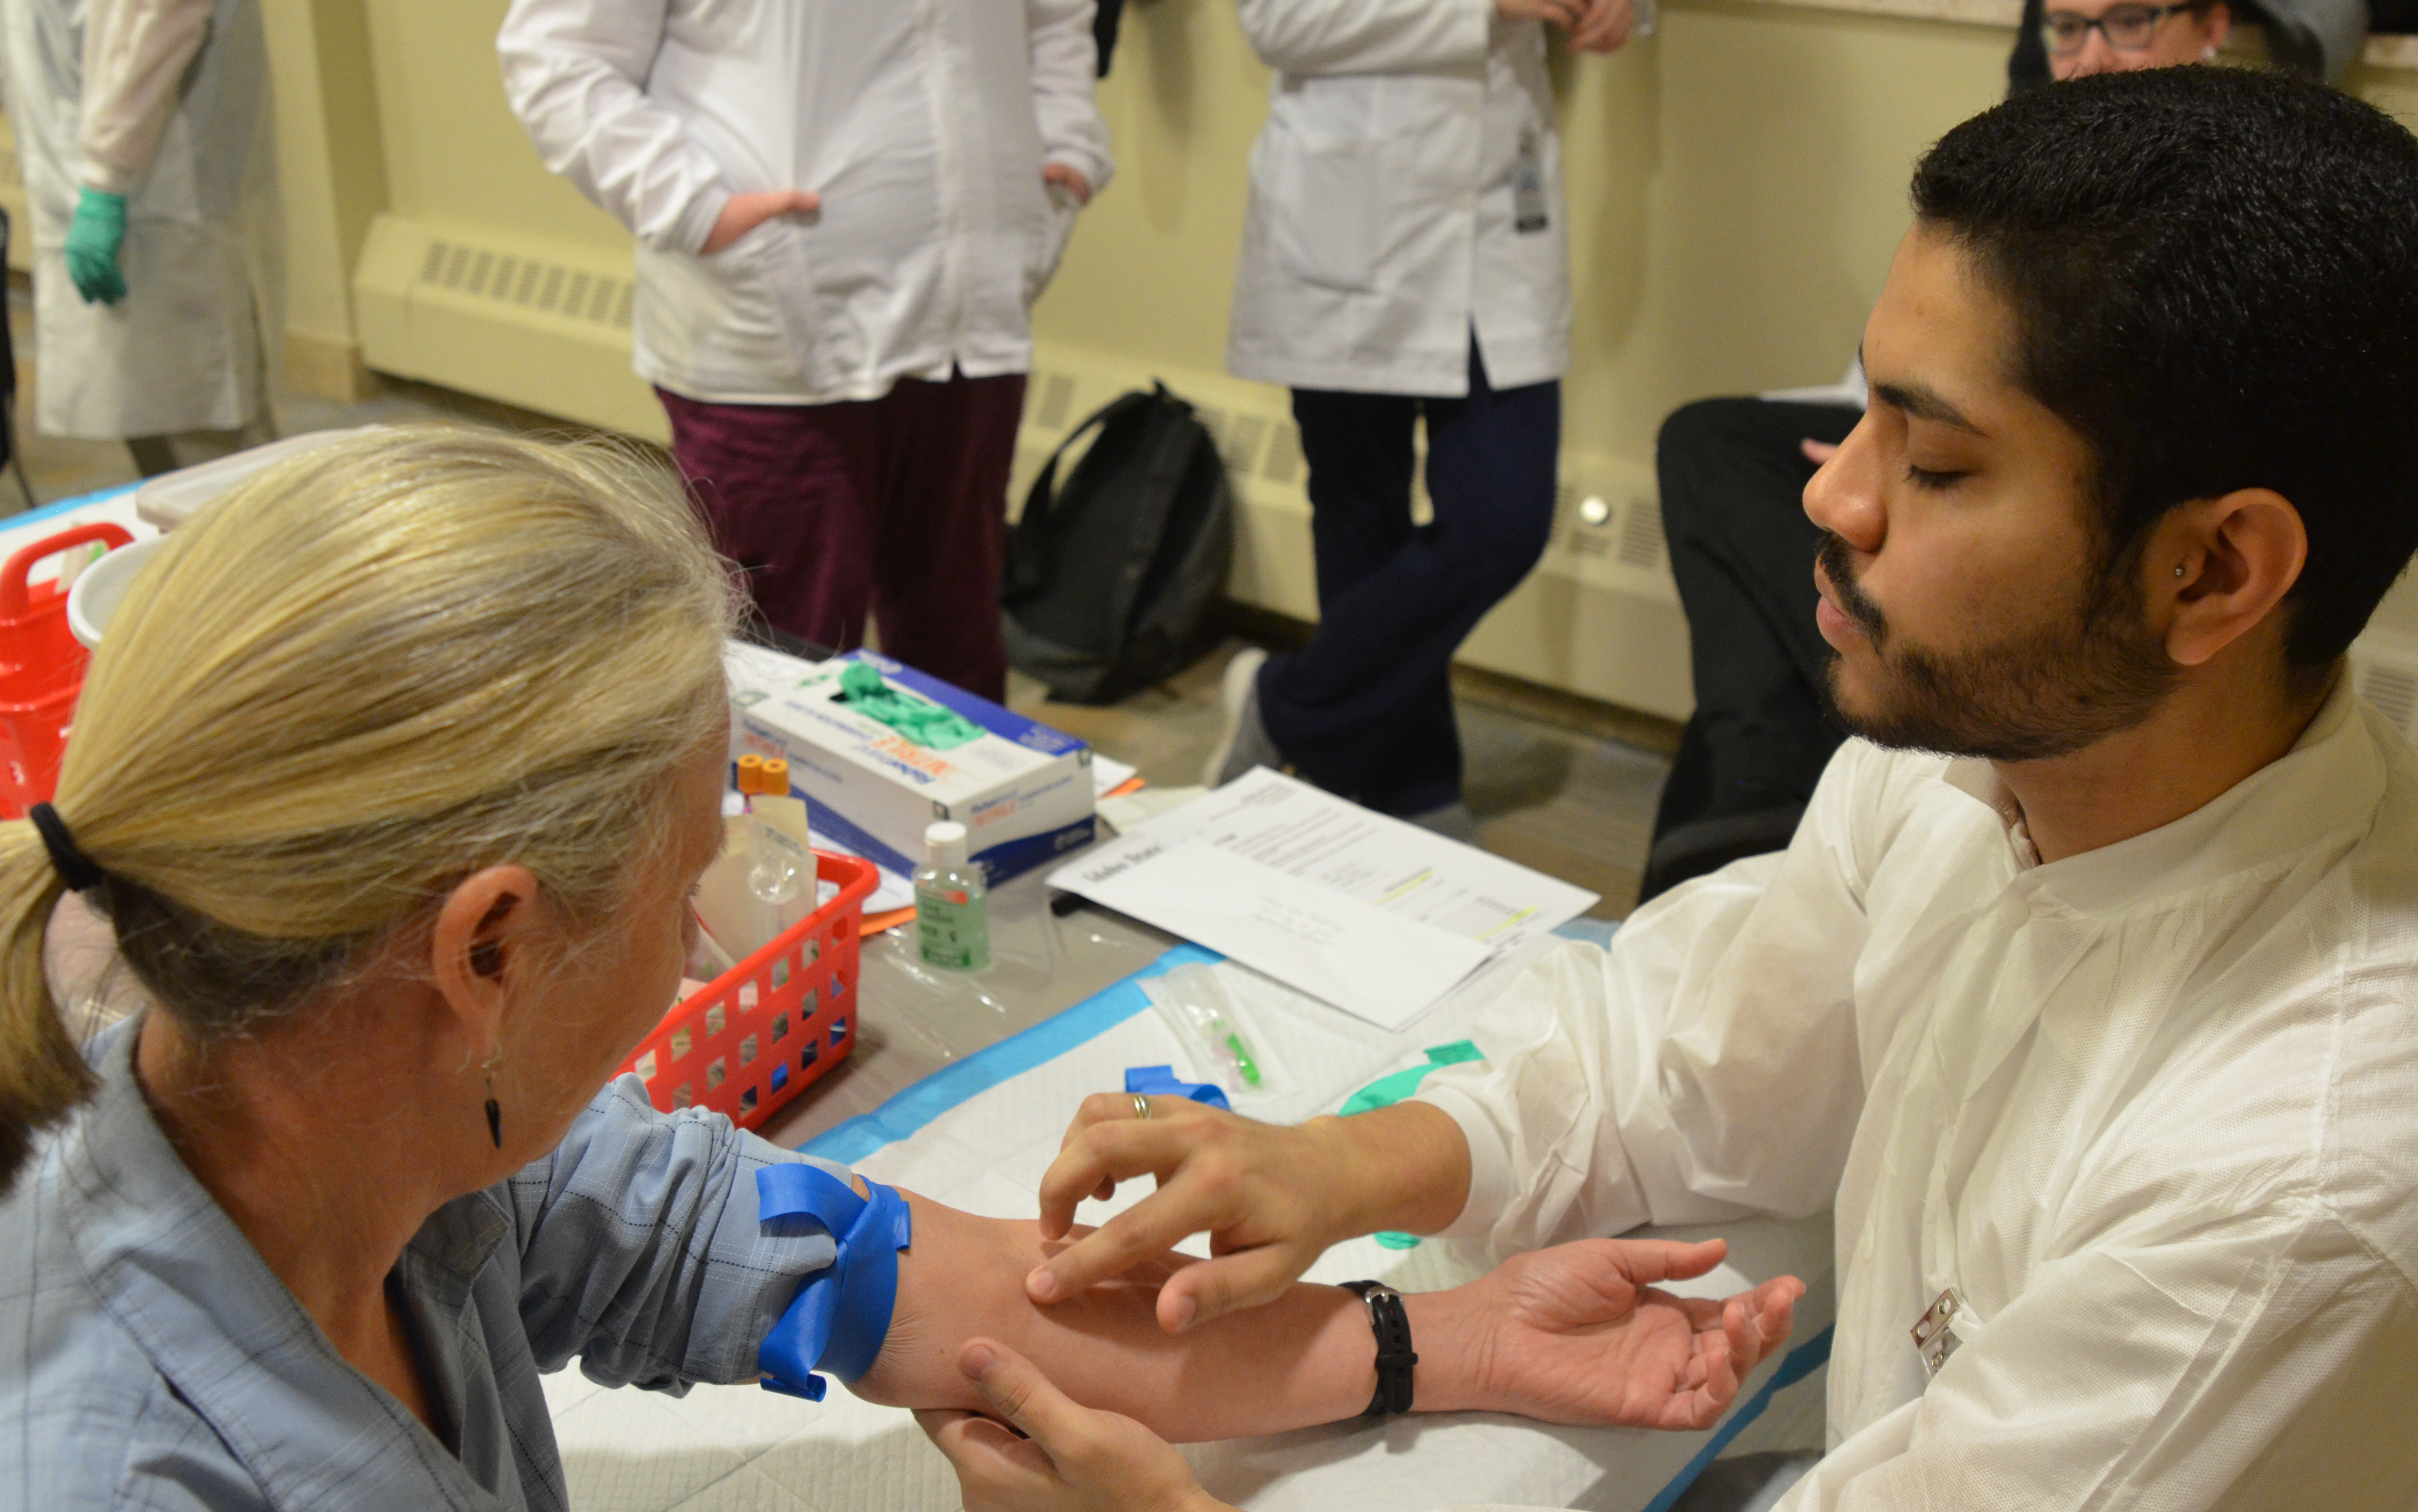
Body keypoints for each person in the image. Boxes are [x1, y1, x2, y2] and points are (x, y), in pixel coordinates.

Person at [1012, 67, 2418, 1510]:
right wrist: (1345, 1159)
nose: (1829, 496)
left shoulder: (2290, 1185)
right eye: (1859, 412)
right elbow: (1696, 1046)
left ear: (2210, 570)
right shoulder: (1986, 756)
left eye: (1932, 464)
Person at [0, 427, 1803, 1507]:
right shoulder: (107, 1461)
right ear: (485, 943)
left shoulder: (396, 1127)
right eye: (685, 890)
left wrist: (1452, 1330)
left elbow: (940, 1296)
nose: (710, 944)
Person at [1641, 0, 2231, 899]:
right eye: (2067, 28)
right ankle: (1758, 786)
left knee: (1770, 666)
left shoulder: (2241, 206)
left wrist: (1936, 456)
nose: (2090, 58)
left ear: (2206, 26)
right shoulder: (2026, 168)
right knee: (1704, 440)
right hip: (1932, 444)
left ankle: (1741, 812)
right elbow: (1909, 344)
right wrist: (1888, 433)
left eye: (2128, 23)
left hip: (2056, 502)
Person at [498, 0, 1115, 704]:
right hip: (774, 339)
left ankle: (965, 826)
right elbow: (560, 56)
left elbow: (1051, 12)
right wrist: (693, 206)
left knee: (955, 648)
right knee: (784, 672)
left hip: (969, 317)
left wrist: (1067, 149)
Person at [1202, 0, 1658, 834]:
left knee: (1502, 518)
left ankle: (1285, 703)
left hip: (1499, 200)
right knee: (1359, 511)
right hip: (1346, 204)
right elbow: (1276, 13)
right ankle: (1411, 787)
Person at [0, 0, 283, 479]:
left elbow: (155, 16)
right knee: (151, 435)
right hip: (86, 175)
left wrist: (106, 177)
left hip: (161, 189)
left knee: (216, 456)